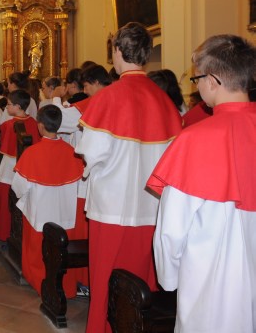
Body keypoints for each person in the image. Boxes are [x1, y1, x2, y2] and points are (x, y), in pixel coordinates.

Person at [75, 22, 182, 333]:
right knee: (140, 280)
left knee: (106, 274)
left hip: (111, 206)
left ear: (117, 51)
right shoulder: (164, 101)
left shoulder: (107, 97)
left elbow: (91, 153)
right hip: (151, 207)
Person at [147, 35, 256, 332]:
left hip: (211, 278)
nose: (196, 87)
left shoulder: (195, 139)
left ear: (213, 80)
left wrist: (168, 277)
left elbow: (172, 228)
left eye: (197, 79)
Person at [11, 105, 84, 296]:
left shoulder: (32, 153)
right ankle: (65, 287)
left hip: (39, 212)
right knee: (62, 251)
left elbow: (19, 187)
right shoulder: (73, 152)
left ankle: (40, 282)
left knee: (38, 250)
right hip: (65, 213)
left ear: (40, 126)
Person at [0, 90, 40, 242]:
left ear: (17, 106)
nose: (6, 108)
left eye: (9, 105)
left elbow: (2, 143)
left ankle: (2, 232)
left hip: (9, 168)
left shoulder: (7, 125)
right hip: (29, 168)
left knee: (4, 199)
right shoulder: (35, 124)